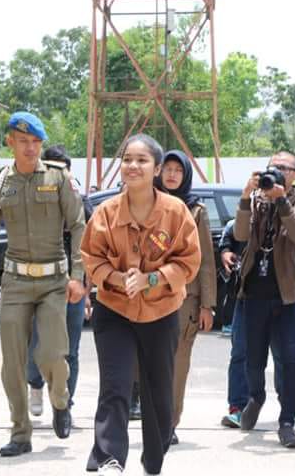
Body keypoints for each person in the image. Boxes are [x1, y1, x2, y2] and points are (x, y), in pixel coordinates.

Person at [81, 134, 200, 476]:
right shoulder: (105, 212)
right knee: (115, 384)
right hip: (114, 310)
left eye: (142, 160)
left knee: (159, 392)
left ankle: (153, 458)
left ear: (157, 169)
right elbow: (91, 256)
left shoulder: (176, 212)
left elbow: (189, 261)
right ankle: (109, 458)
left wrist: (153, 279)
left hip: (161, 310)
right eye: (127, 159)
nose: (133, 166)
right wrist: (117, 279)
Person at [0, 112, 86, 457]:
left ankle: (60, 401)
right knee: (13, 363)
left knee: (52, 354)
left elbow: (78, 224)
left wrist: (78, 276)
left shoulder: (58, 177)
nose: (31, 148)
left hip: (54, 282)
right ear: (10, 142)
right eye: (23, 141)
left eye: (36, 142)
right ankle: (20, 433)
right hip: (15, 282)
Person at [233, 151, 295, 448]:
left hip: (289, 295)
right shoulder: (257, 200)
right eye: (273, 167)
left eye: (285, 168)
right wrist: (246, 197)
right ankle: (256, 397)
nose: (278, 172)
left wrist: (281, 201)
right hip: (255, 293)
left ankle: (287, 421)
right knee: (253, 358)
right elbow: (240, 234)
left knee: (289, 360)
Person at [154, 149, 216, 445]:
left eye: (178, 170)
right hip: (150, 296)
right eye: (167, 168)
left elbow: (206, 261)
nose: (172, 175)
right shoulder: (146, 204)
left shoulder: (196, 211)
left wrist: (207, 305)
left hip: (184, 300)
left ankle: (169, 424)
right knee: (149, 362)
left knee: (178, 365)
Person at [27, 146, 93, 416]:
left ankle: (65, 405)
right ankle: (35, 384)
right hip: (39, 283)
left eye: (62, 170)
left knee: (70, 349)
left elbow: (90, 249)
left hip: (73, 286)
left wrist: (87, 290)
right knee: (38, 342)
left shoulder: (82, 202)